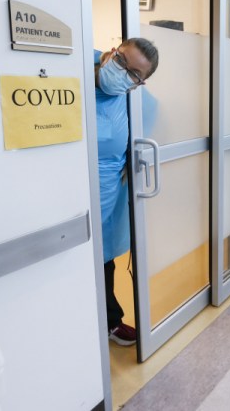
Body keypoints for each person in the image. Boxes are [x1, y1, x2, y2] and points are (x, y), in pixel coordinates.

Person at [95, 38, 159, 346]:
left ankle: (109, 321)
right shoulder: (73, 74)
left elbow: (151, 115)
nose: (123, 73)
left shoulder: (130, 98)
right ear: (111, 51)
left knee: (102, 256)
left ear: (139, 84)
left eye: (134, 74)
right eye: (121, 61)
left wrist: (134, 155)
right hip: (64, 187)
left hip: (106, 189)